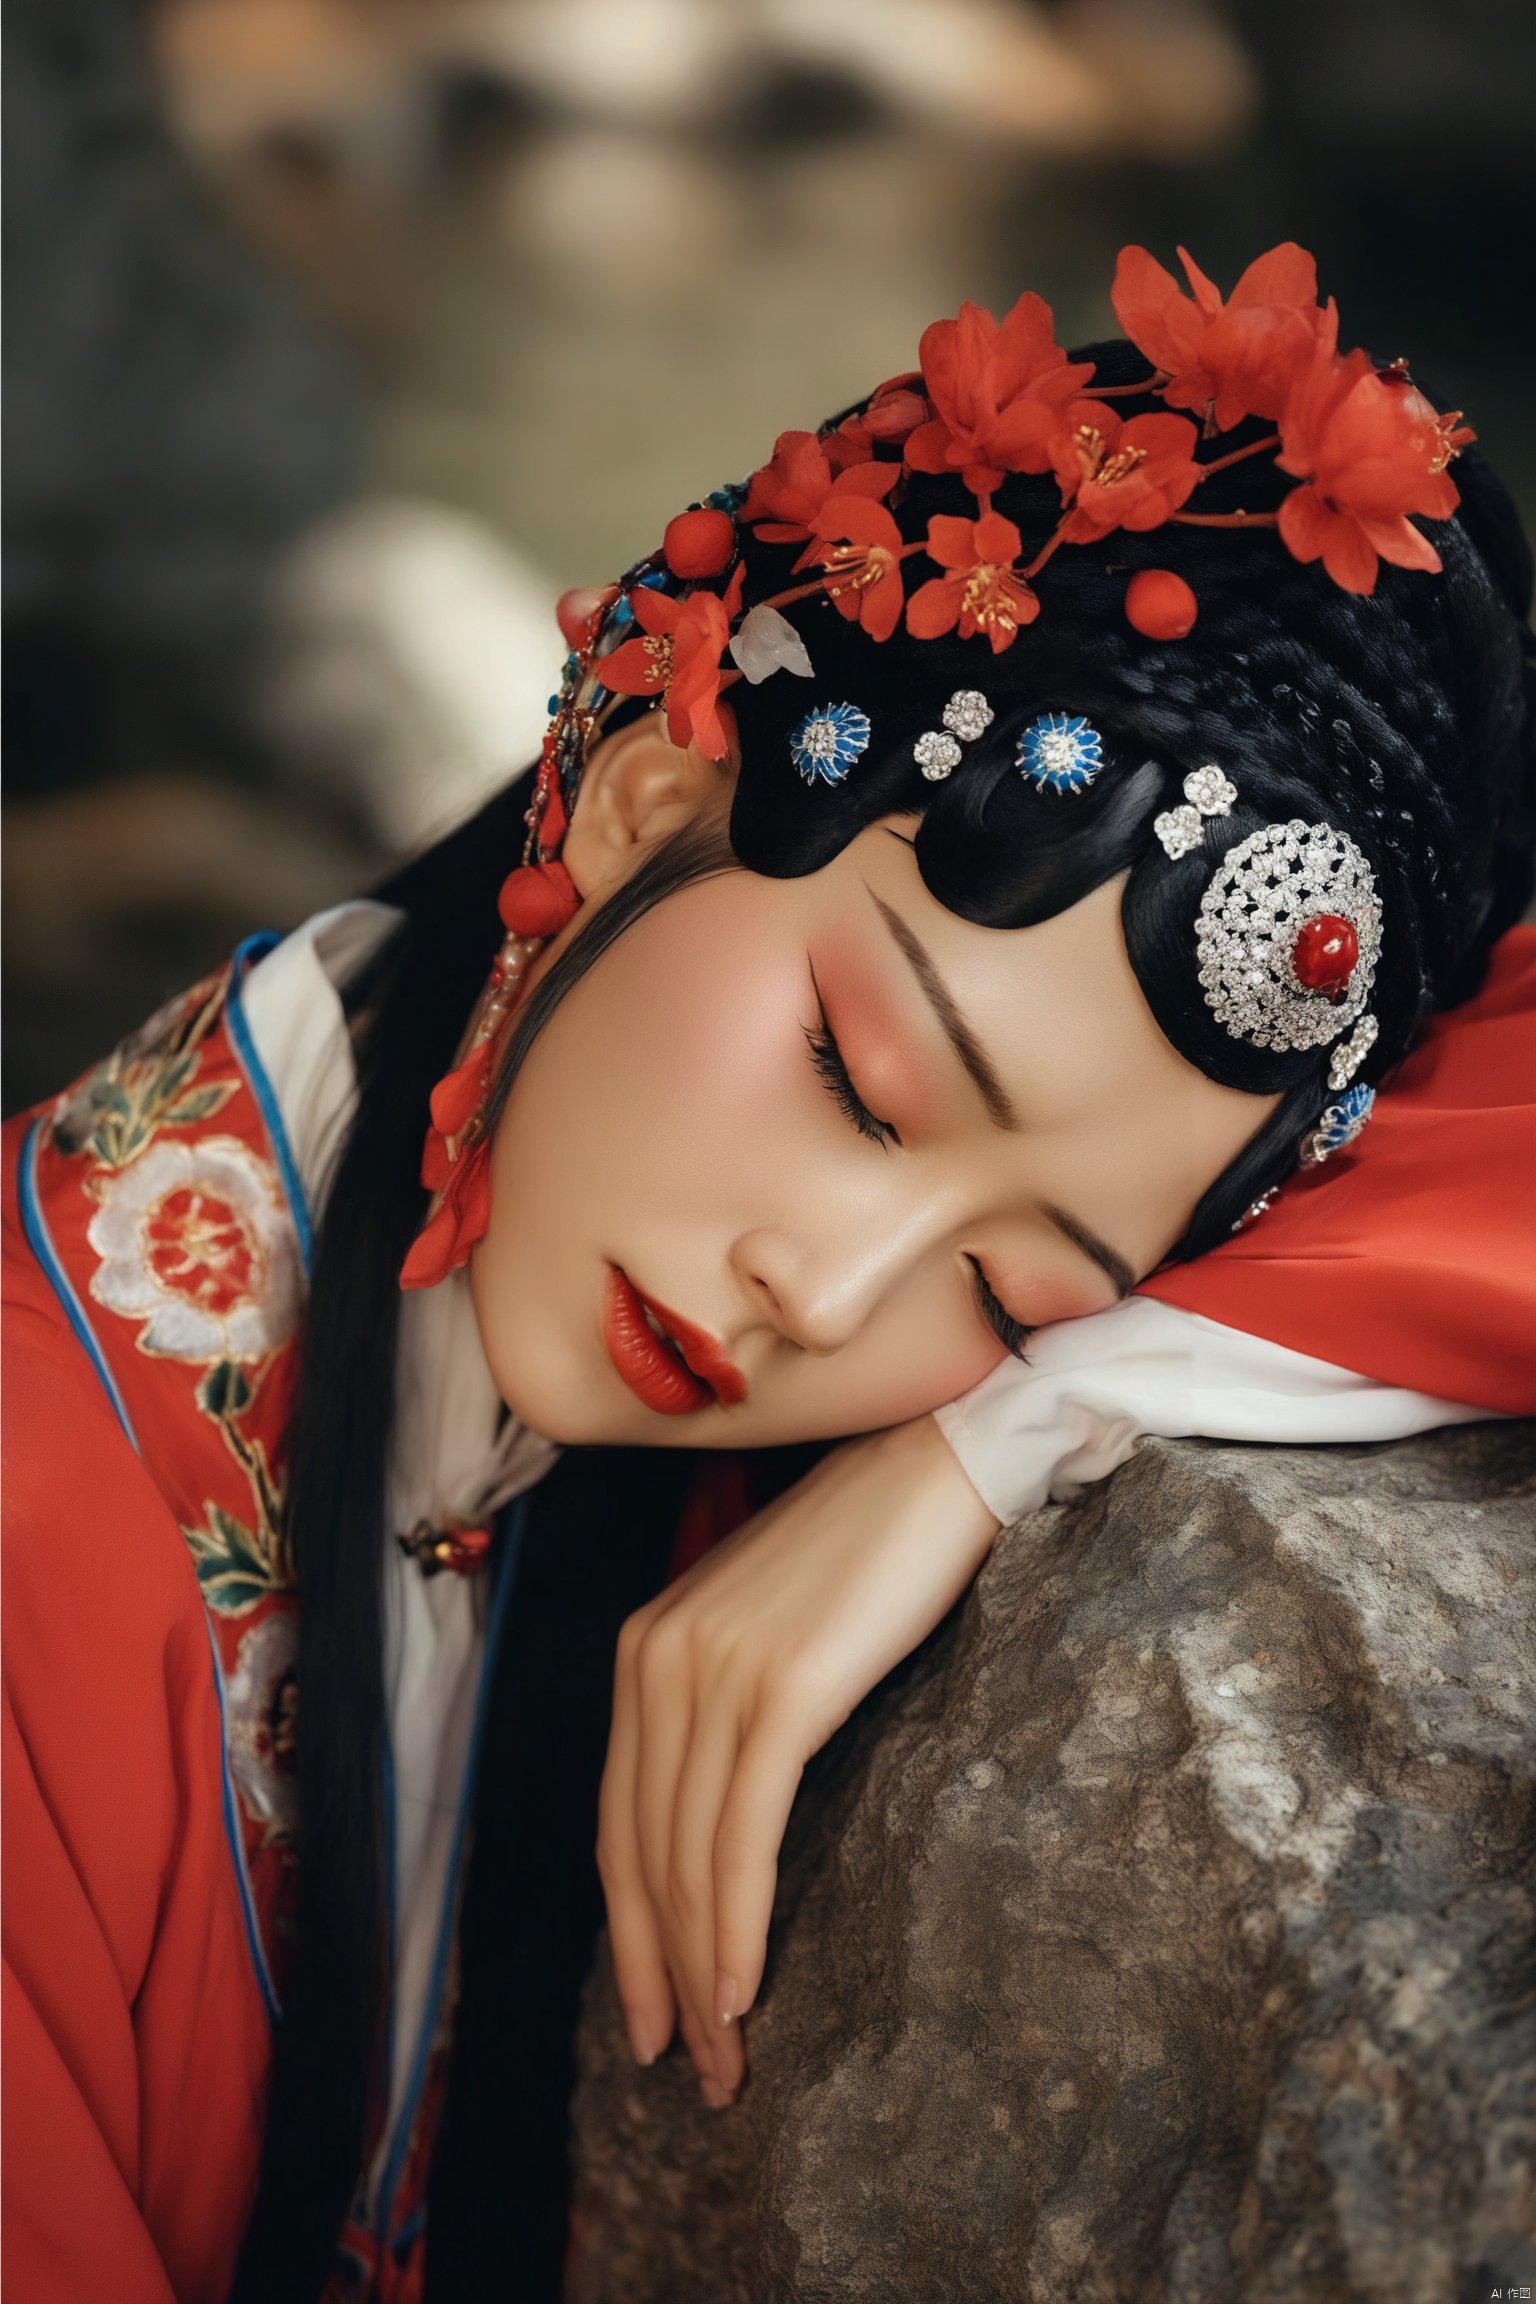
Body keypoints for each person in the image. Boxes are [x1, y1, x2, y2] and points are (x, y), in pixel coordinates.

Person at [4, 243, 1533, 2304]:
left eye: (1012, 1285)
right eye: (861, 1080)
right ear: (647, 803)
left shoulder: (624, 1381)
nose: (829, 1296)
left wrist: (1015, 1427)